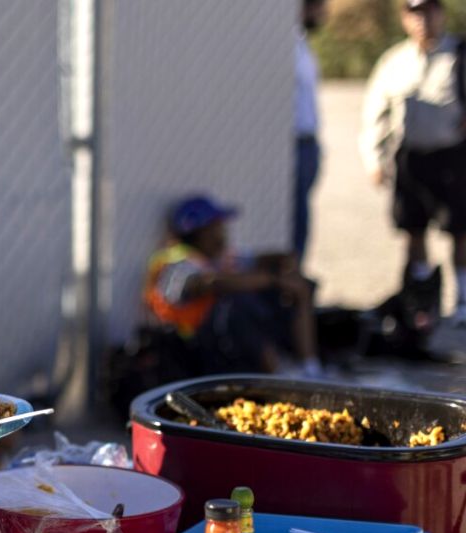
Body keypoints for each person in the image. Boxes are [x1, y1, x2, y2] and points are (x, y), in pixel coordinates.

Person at [359, 0, 466, 325]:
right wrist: (373, 159)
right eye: (416, 12)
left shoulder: (460, 53)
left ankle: (461, 300)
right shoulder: (394, 61)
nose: (424, 19)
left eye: (431, 10)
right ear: (406, 18)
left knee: (460, 231)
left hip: (453, 155)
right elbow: (374, 112)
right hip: (411, 158)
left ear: (441, 13)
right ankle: (420, 297)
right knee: (412, 231)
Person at [144, 195, 324, 377]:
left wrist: (286, 266)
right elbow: (211, 283)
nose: (222, 233)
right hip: (193, 351)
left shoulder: (218, 256)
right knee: (237, 305)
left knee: (295, 288)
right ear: (197, 233)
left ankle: (309, 368)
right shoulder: (176, 262)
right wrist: (272, 279)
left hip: (225, 345)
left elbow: (264, 259)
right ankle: (279, 377)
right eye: (215, 228)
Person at [294, 0, 327, 264]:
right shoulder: (287, 44)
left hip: (307, 143)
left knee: (301, 219)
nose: (322, 10)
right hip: (291, 145)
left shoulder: (303, 44)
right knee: (293, 220)